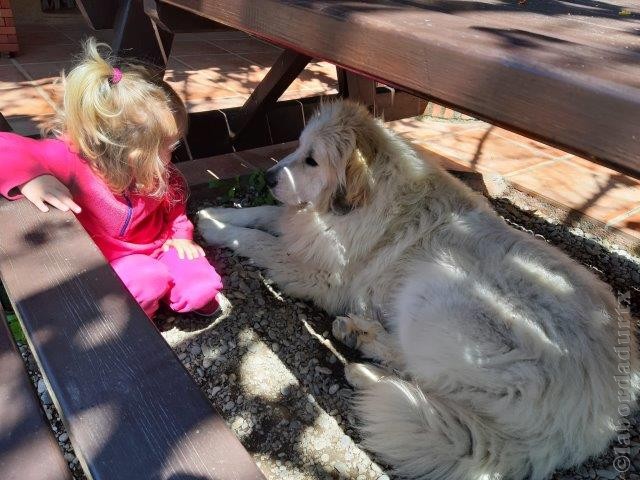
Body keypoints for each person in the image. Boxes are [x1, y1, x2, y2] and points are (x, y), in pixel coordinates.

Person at [0, 38, 222, 318]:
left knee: (203, 286)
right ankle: (144, 315)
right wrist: (31, 177)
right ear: (121, 147)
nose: (172, 153)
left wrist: (182, 236)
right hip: (109, 262)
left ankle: (169, 296)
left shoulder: (159, 172)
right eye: (165, 145)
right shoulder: (70, 158)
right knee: (146, 280)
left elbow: (175, 205)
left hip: (160, 247)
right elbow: (4, 146)